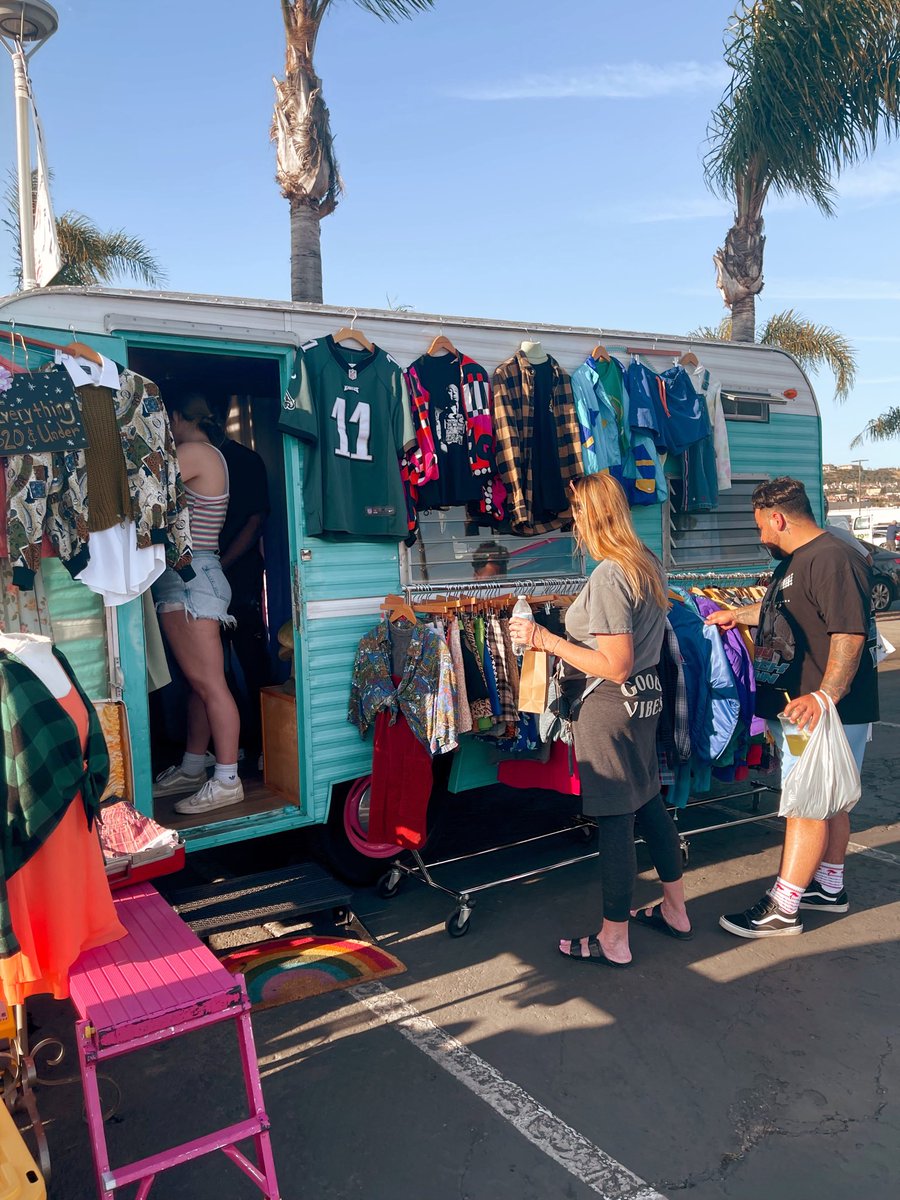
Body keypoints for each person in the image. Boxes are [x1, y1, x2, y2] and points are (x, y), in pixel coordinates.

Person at [509, 473, 691, 967]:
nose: (573, 524)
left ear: (592, 515)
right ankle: (675, 910)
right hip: (644, 702)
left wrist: (543, 639)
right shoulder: (647, 564)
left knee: (615, 817)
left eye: (576, 513)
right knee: (649, 802)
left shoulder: (611, 573)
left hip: (610, 705)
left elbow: (614, 662)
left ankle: (613, 938)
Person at [706, 478, 878, 938]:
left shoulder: (832, 559)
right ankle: (829, 886)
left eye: (761, 526)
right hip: (804, 708)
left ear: (778, 518)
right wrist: (736, 616)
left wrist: (824, 697)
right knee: (827, 800)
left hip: (821, 712)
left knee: (806, 803)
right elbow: (795, 615)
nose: (760, 536)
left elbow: (849, 634)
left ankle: (783, 907)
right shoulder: (800, 562)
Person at [151, 394, 243, 815]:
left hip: (192, 579)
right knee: (202, 685)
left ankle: (226, 780)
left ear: (175, 417)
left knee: (210, 686)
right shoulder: (211, 453)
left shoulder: (192, 452)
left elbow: (148, 490)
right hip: (197, 575)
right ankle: (193, 766)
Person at [213, 414, 272, 766]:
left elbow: (254, 524)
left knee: (251, 660)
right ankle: (234, 746)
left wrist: (219, 566)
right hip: (209, 575)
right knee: (213, 669)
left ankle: (264, 745)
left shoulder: (245, 461)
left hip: (240, 575)